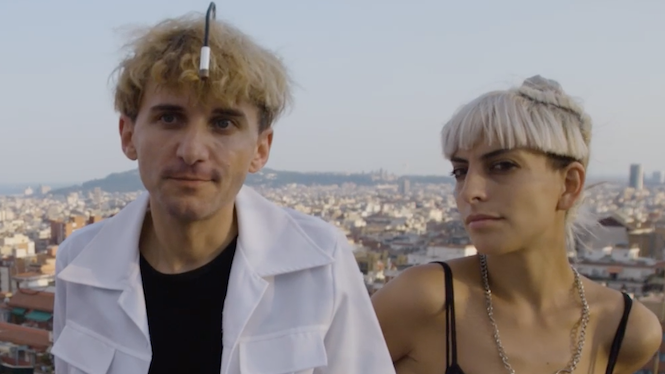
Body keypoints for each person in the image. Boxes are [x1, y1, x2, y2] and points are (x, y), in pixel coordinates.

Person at [51, 7, 394, 374]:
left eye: (223, 123)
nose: (192, 151)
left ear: (260, 149)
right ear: (127, 135)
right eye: (169, 118)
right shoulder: (80, 262)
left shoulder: (319, 261)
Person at [371, 75, 662, 374]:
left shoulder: (626, 332)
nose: (470, 191)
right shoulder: (423, 301)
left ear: (569, 184)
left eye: (502, 165)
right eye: (460, 171)